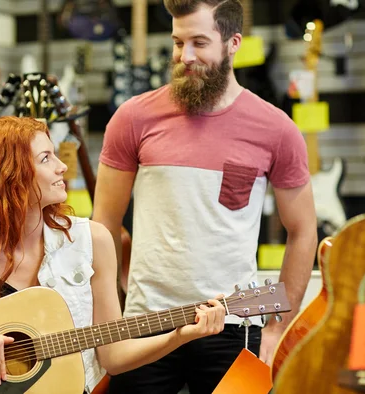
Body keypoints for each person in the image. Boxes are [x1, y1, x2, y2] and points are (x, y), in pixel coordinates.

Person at [0, 116, 228, 393]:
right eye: (45, 158)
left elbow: (112, 356)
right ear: (11, 178)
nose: (61, 167)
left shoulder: (92, 241)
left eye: (55, 155)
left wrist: (180, 335)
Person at [92, 0, 318, 393]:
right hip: (146, 325)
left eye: (199, 42)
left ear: (233, 43)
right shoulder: (132, 118)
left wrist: (278, 326)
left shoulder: (276, 129)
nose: (186, 56)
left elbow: (303, 231)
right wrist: (111, 314)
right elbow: (103, 227)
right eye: (179, 43)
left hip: (236, 325)